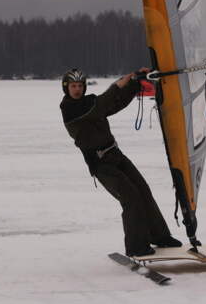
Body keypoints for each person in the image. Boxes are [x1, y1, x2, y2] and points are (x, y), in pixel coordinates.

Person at [59, 68, 182, 257]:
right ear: (66, 88)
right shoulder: (69, 108)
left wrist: (135, 84)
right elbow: (104, 101)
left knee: (142, 189)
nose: (77, 90)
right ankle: (136, 247)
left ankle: (159, 236)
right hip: (101, 165)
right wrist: (125, 80)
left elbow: (114, 104)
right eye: (73, 86)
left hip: (115, 155)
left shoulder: (88, 101)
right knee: (131, 199)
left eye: (80, 86)